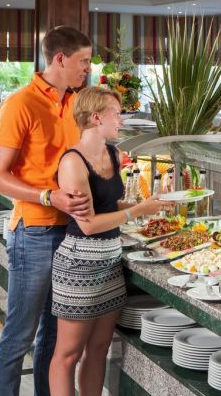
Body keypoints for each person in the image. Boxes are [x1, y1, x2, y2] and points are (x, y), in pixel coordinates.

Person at [0, 26, 93, 396]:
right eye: (83, 61)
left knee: (53, 338)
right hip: (34, 233)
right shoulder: (20, 103)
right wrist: (50, 197)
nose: (88, 68)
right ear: (60, 58)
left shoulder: (76, 105)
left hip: (73, 233)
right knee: (19, 336)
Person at [48, 87, 173, 396]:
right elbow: (88, 224)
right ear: (96, 117)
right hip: (79, 264)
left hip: (110, 260)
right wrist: (137, 211)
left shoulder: (114, 155)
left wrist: (147, 205)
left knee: (99, 346)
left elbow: (107, 205)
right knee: (67, 355)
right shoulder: (73, 162)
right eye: (116, 114)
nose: (122, 120)